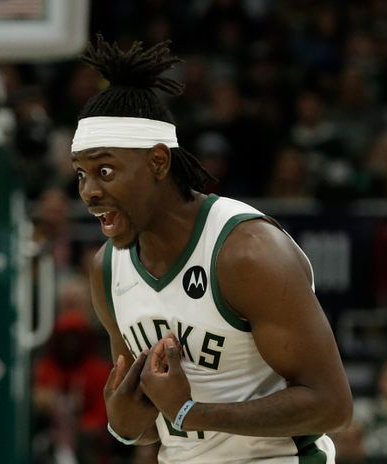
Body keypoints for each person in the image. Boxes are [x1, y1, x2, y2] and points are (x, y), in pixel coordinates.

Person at [70, 36, 353, 463]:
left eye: (104, 170)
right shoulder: (107, 270)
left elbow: (332, 406)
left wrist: (192, 413)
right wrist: (126, 428)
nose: (89, 192)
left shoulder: (248, 252)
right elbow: (151, 424)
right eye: (81, 174)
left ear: (158, 162)